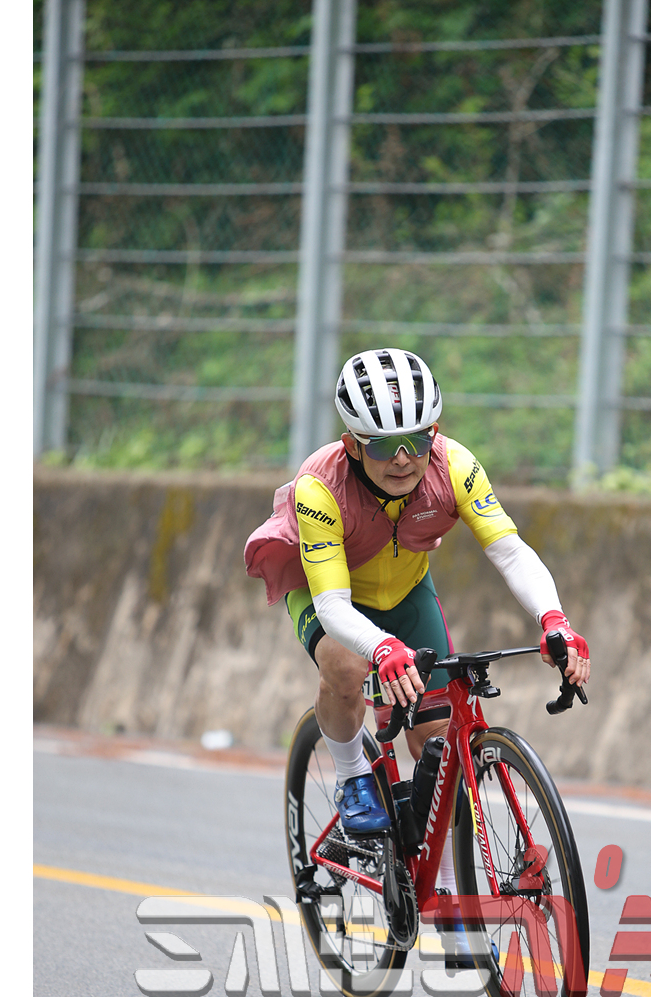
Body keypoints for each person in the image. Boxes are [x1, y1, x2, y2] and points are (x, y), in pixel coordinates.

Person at [244, 348, 588, 895]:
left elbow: (509, 550)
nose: (403, 458)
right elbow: (333, 608)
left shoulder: (455, 466)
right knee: (345, 666)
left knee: (437, 741)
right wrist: (381, 648)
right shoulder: (320, 486)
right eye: (384, 445)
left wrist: (555, 620)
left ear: (435, 433)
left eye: (417, 440)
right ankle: (353, 778)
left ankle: (444, 893)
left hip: (406, 594)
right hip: (327, 594)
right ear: (352, 445)